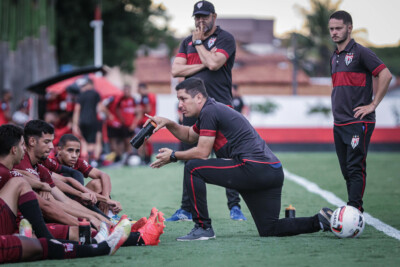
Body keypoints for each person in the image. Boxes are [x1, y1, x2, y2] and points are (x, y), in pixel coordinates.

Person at [146, 77, 332, 241]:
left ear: (199, 98)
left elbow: (202, 152)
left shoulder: (210, 111)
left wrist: (173, 156)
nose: (180, 104)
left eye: (183, 99)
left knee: (193, 167)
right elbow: (188, 135)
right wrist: (168, 123)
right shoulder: (211, 111)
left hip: (253, 168)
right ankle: (320, 221)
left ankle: (203, 228)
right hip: (272, 171)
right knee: (269, 228)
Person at [169, 0, 245, 221]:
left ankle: (235, 207)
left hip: (221, 107)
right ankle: (186, 209)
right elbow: (176, 70)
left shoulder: (225, 39)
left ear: (214, 16)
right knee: (190, 160)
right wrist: (203, 61)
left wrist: (200, 43)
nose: (201, 20)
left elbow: (214, 64)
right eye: (197, 17)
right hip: (193, 111)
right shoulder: (186, 42)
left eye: (204, 16)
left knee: (229, 159)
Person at [328, 11, 392, 213]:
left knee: (355, 167)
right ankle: (355, 209)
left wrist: (373, 105)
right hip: (339, 123)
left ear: (349, 28)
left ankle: (354, 210)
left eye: (338, 28)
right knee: (347, 170)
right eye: (331, 29)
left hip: (358, 122)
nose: (334, 32)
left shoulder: (361, 52)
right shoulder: (334, 57)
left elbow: (385, 74)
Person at [72, 77, 103, 166]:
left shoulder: (80, 95)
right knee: (92, 142)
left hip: (82, 121)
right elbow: (99, 108)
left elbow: (77, 110)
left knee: (84, 142)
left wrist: (75, 124)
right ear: (91, 85)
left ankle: (85, 162)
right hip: (93, 120)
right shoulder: (96, 94)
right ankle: (93, 161)